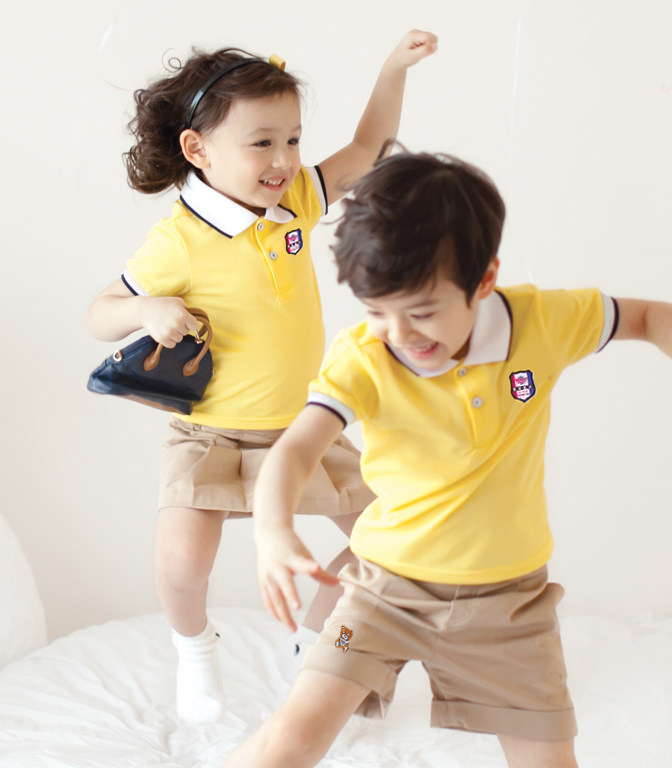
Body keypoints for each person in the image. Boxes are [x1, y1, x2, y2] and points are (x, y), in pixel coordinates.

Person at [225, 150, 672, 768]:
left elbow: (651, 315)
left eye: (422, 312)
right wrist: (273, 532)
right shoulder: (364, 360)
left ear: (484, 281)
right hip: (383, 592)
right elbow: (296, 449)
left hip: (510, 606)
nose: (400, 334)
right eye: (377, 312)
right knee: (292, 737)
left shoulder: (540, 323)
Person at [85, 33, 438, 724]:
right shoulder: (179, 240)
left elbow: (369, 147)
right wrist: (144, 310)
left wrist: (393, 67)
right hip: (211, 434)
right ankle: (195, 650)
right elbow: (100, 314)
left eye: (293, 140)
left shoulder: (298, 201)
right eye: (262, 144)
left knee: (392, 536)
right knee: (181, 564)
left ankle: (316, 641)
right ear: (198, 150)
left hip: (303, 428)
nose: (284, 160)